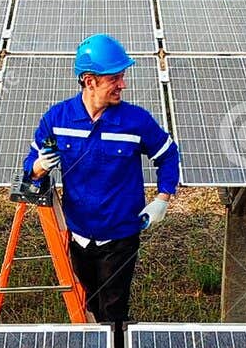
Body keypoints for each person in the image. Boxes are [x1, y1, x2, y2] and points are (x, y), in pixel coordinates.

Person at [24, 34, 180, 328]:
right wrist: (39, 166)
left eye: (122, 77)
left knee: (114, 308)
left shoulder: (136, 121)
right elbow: (28, 170)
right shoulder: (57, 119)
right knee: (91, 303)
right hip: (79, 234)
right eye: (115, 78)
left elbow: (168, 155)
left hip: (119, 236)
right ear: (89, 81)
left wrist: (163, 198)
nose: (123, 84)